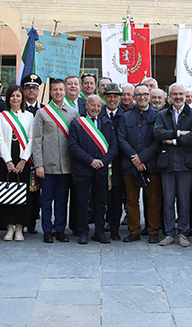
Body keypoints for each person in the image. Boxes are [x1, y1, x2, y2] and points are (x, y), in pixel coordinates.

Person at [31, 78, 78, 243]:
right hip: (47, 166)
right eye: (55, 90)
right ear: (50, 92)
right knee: (46, 200)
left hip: (66, 166)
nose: (58, 92)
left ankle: (60, 230)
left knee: (62, 200)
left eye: (60, 89)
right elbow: (36, 140)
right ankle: (47, 230)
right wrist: (39, 164)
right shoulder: (42, 113)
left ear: (65, 91)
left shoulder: (73, 113)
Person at [155, 83, 192, 247]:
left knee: (184, 200)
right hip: (167, 164)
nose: (178, 97)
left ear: (186, 96)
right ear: (169, 97)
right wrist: (180, 133)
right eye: (175, 94)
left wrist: (173, 140)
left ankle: (183, 232)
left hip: (185, 164)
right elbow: (157, 133)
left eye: (181, 94)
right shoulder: (162, 115)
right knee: (168, 201)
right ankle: (169, 234)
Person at [67, 94, 117, 244]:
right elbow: (73, 146)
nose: (95, 108)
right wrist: (90, 161)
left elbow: (114, 146)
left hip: (101, 169)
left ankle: (100, 232)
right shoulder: (77, 124)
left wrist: (103, 161)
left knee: (101, 202)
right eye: (92, 105)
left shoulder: (107, 123)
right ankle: (83, 232)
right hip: (83, 169)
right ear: (86, 106)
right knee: (82, 202)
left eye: (98, 106)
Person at [117, 82, 162, 243]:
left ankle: (153, 231)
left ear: (149, 96)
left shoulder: (158, 116)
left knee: (153, 200)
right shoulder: (126, 116)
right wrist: (135, 158)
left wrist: (142, 157)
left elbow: (158, 141)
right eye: (139, 95)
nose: (142, 97)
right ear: (134, 98)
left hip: (151, 165)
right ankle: (134, 231)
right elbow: (121, 138)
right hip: (130, 165)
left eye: (145, 94)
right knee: (131, 200)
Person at [0, 85, 33, 242]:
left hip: (23, 160)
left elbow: (32, 139)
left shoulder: (29, 116)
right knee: (6, 193)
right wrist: (8, 161)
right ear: (8, 98)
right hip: (5, 161)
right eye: (12, 96)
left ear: (22, 98)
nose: (15, 98)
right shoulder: (2, 116)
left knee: (22, 194)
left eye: (18, 95)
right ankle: (9, 227)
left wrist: (23, 160)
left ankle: (19, 227)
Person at [99, 83, 127, 238]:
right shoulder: (97, 114)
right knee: (100, 198)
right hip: (101, 163)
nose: (112, 99)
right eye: (109, 96)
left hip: (118, 164)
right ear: (104, 97)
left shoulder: (125, 116)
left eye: (115, 96)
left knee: (116, 199)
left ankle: (115, 230)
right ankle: (100, 228)